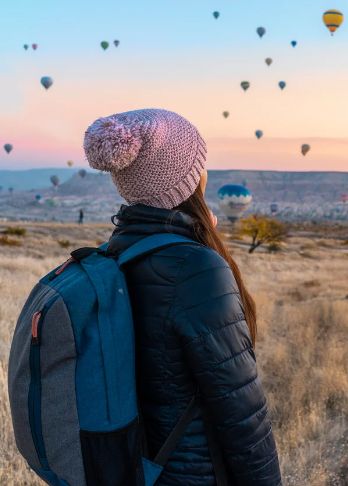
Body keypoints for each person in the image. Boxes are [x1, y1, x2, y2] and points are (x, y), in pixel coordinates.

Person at [84, 109, 282, 486]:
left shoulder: (117, 251)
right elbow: (241, 410)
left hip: (139, 466)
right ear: (187, 179)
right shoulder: (195, 267)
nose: (205, 171)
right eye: (200, 163)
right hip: (193, 473)